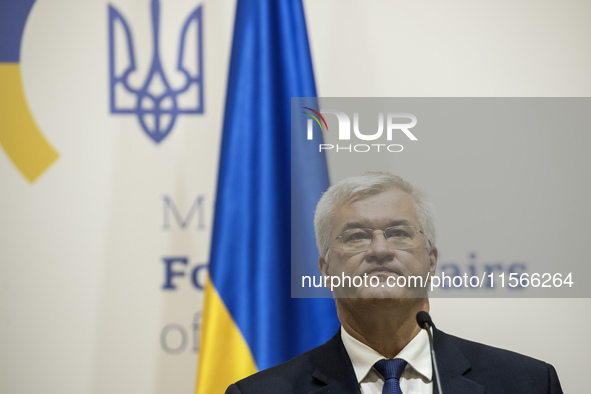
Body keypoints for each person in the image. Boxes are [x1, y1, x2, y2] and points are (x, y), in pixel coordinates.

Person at [226, 172, 563, 393]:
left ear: (431, 261)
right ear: (325, 269)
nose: (380, 249)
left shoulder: (528, 383)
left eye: (399, 233)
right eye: (356, 237)